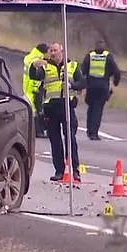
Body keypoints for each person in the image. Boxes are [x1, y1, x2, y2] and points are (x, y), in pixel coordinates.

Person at [29, 42, 86, 182]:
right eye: (51, 51)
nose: (52, 53)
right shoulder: (46, 66)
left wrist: (72, 85)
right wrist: (33, 66)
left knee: (70, 139)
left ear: (62, 51)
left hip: (67, 107)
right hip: (51, 108)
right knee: (55, 141)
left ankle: (75, 170)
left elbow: (83, 83)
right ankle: (59, 171)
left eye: (55, 50)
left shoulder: (72, 66)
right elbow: (34, 76)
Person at [80, 40, 121, 141]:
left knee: (91, 109)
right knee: (98, 110)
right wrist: (115, 82)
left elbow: (82, 71)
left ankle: (90, 131)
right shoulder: (108, 57)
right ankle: (94, 132)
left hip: (91, 86)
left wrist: (81, 85)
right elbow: (116, 71)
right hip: (102, 87)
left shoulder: (90, 56)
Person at [23, 43, 49, 137]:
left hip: (27, 87)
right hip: (34, 88)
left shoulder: (29, 57)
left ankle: (33, 131)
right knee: (37, 110)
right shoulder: (37, 59)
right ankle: (38, 131)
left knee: (31, 110)